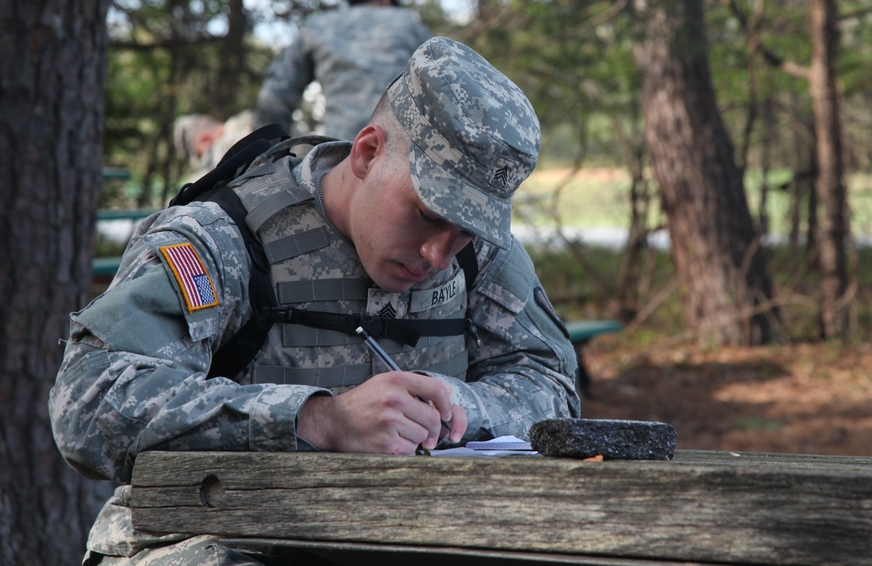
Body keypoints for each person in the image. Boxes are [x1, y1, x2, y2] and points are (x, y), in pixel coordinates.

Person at [49, 37, 580, 565]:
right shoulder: (225, 238)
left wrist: (444, 408)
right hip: (219, 537)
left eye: (464, 231)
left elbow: (551, 387)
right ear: (368, 153)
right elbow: (90, 402)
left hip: (409, 536)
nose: (438, 253)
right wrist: (320, 420)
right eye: (427, 214)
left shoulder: (479, 253)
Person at [255, 0, 432, 140]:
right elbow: (440, 89)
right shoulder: (410, 24)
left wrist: (274, 153)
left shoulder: (317, 27)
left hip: (341, 156)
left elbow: (273, 95)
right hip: (402, 157)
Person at [173, 109, 256, 181]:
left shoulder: (224, 148)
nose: (204, 160)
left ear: (205, 139)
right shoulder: (248, 118)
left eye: (200, 155)